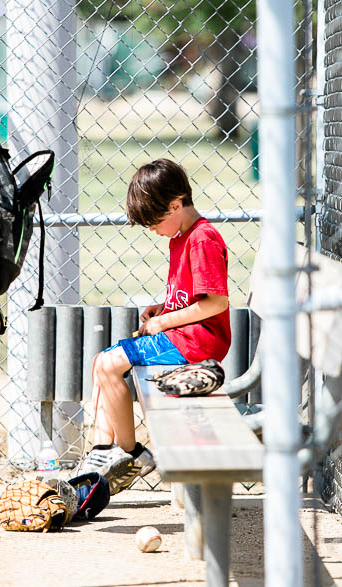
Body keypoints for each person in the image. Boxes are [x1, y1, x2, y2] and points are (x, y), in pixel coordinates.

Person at [78, 159, 231, 494]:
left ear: (176, 204)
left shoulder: (202, 239)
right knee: (101, 363)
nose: (153, 230)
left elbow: (216, 303)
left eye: (155, 221)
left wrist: (164, 321)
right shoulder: (181, 237)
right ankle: (100, 453)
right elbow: (193, 297)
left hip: (197, 343)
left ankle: (132, 454)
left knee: (107, 364)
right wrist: (163, 308)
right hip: (183, 336)